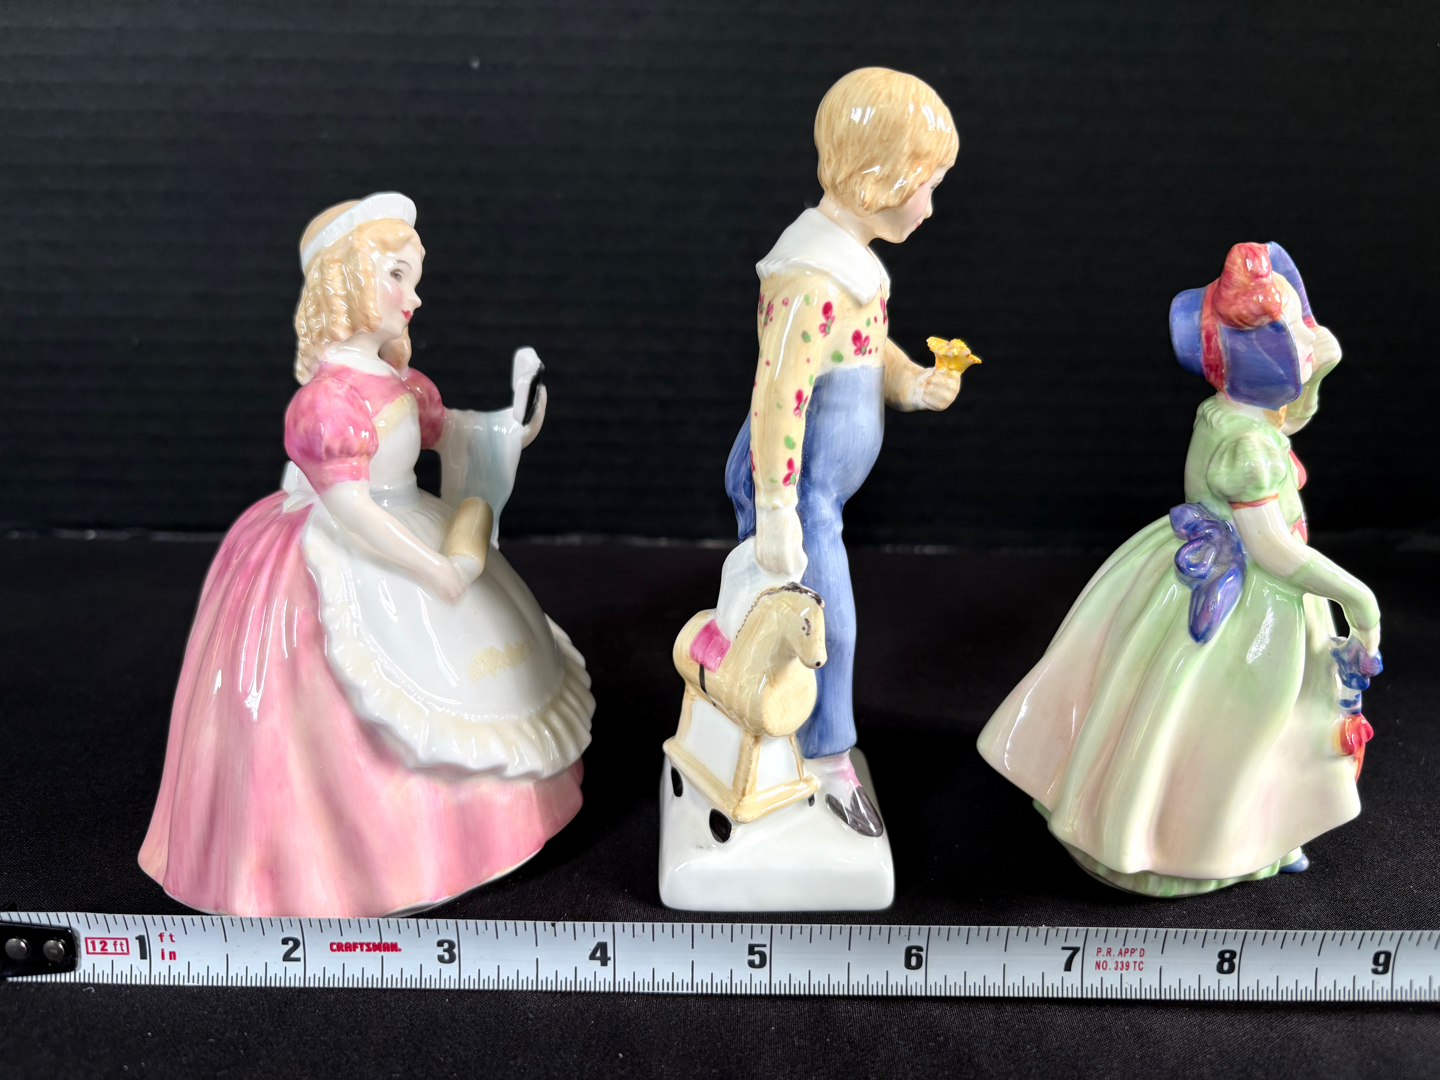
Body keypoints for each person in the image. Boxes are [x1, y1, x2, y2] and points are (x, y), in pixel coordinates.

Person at [139, 194, 594, 916]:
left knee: (483, 667)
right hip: (352, 546)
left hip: (412, 519)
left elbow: (447, 432)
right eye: (397, 276)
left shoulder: (403, 383)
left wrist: (508, 429)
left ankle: (490, 822)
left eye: (416, 278)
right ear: (347, 282)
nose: (415, 297)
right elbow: (352, 510)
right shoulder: (326, 403)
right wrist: (433, 567)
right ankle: (336, 860)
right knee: (335, 693)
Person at [977, 241, 1382, 897]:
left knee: (1182, 708)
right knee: (1241, 724)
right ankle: (1196, 844)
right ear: (1264, 364)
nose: (1309, 339)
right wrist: (1358, 598)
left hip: (1193, 571)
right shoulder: (1249, 448)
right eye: (1294, 335)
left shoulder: (1226, 413)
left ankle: (1251, 831)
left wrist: (1313, 354)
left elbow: (1294, 406)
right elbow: (1276, 553)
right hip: (1253, 596)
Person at [722, 68, 970, 836]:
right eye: (924, 186)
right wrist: (776, 509)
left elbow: (865, 344)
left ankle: (792, 733)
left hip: (817, 493)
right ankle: (824, 756)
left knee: (804, 623)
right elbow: (779, 396)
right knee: (825, 628)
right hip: (798, 494)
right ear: (876, 178)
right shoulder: (809, 280)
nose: (928, 207)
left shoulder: (850, 267)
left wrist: (909, 382)